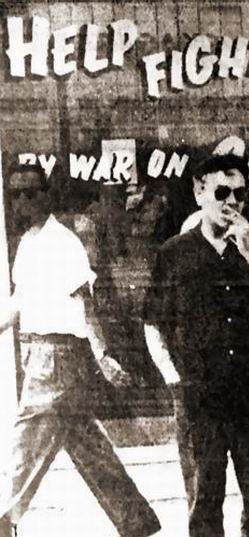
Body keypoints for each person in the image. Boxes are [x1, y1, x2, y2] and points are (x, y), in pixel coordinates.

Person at [143, 154, 249, 537]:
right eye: (222, 192)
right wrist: (175, 381)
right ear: (200, 192)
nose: (232, 202)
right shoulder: (174, 253)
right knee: (204, 506)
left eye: (240, 194)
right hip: (201, 403)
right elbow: (153, 323)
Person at [0, 164, 161, 537]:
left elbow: (85, 304)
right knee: (86, 445)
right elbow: (20, 300)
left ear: (47, 195)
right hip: (40, 354)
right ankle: (136, 522)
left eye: (31, 192)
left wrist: (103, 355)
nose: (23, 201)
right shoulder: (28, 243)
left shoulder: (63, 242)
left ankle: (3, 519)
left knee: (24, 444)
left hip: (56, 358)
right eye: (16, 194)